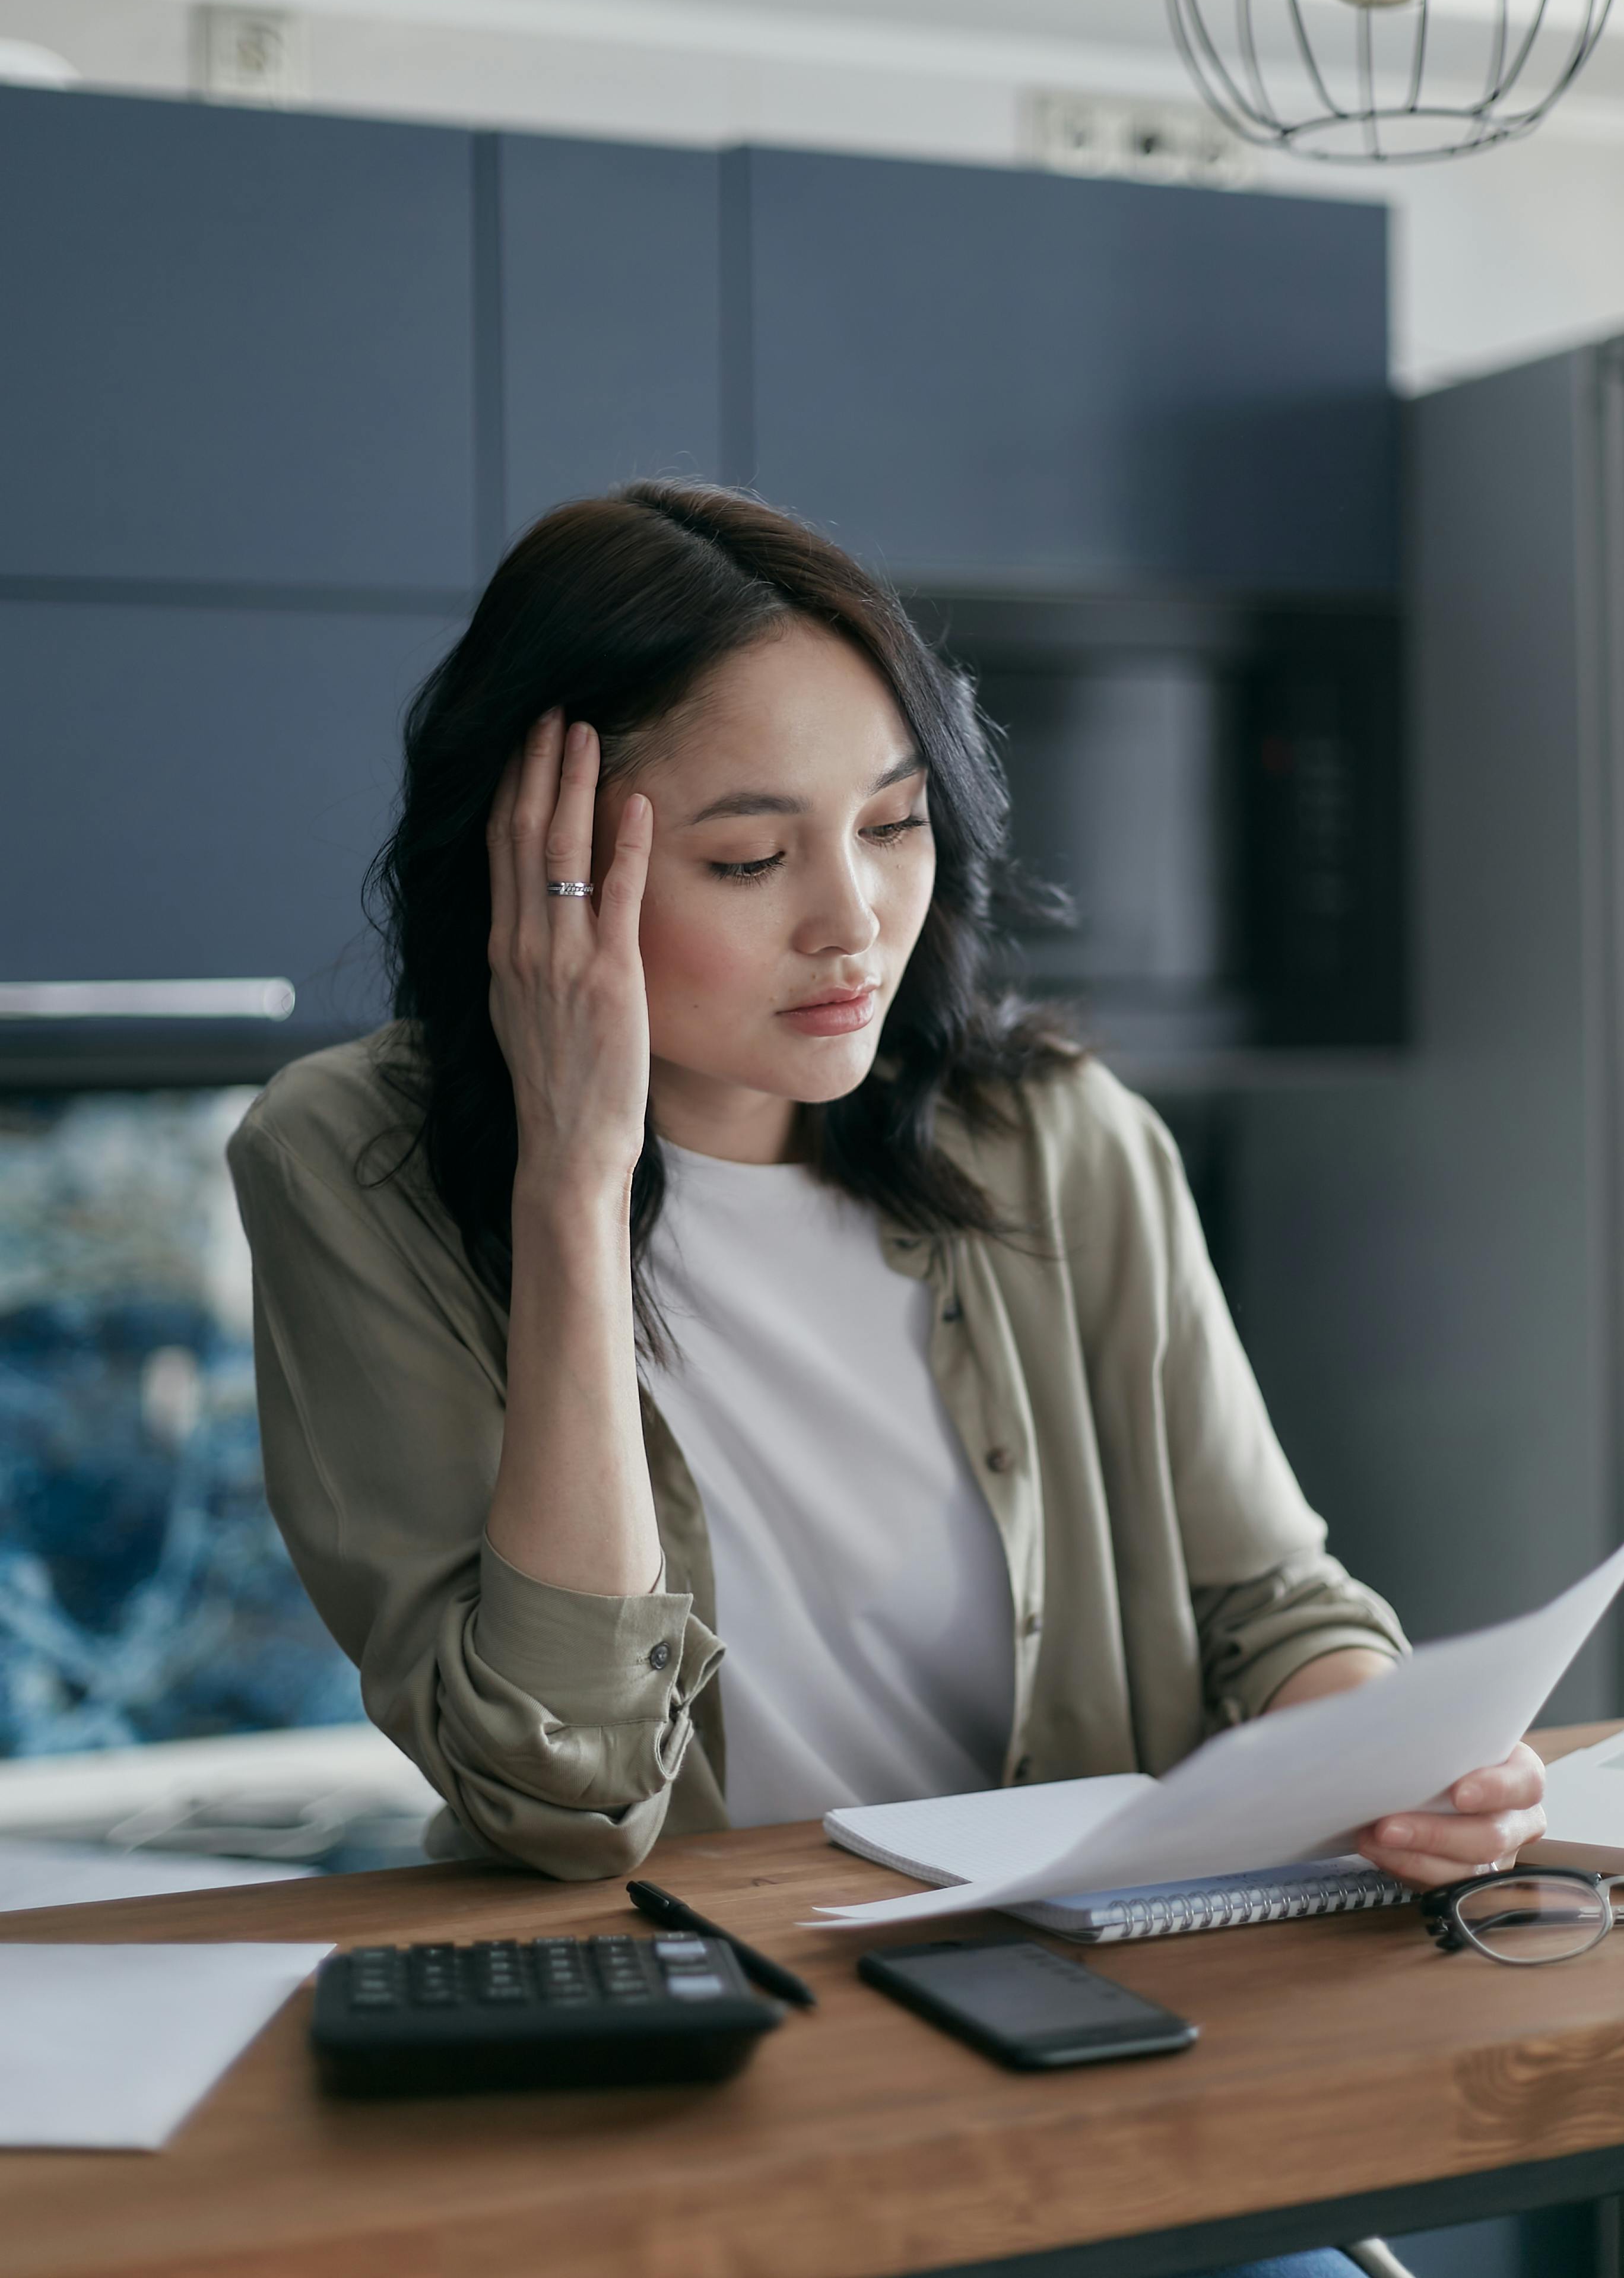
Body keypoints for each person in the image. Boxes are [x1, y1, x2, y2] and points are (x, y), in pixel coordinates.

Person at [229, 483, 1543, 2278]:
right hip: (694, 2099)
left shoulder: (1060, 1139)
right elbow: (560, 1789)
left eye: (897, 826)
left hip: (1089, 2047)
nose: (857, 925)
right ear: (538, 873)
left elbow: (1267, 1602)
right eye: (751, 862)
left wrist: (1390, 1747)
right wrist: (570, 1176)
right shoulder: (349, 1165)